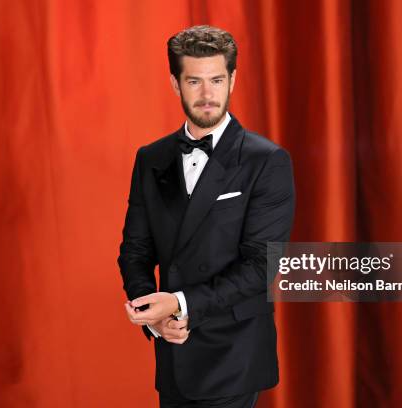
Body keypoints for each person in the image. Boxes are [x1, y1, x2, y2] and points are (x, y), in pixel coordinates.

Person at [118, 25, 295, 408]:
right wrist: (151, 314)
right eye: (194, 81)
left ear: (233, 79)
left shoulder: (266, 161)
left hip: (233, 355)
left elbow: (262, 265)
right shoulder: (151, 158)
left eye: (216, 80)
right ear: (174, 83)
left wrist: (179, 303)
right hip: (172, 350)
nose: (207, 94)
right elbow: (135, 250)